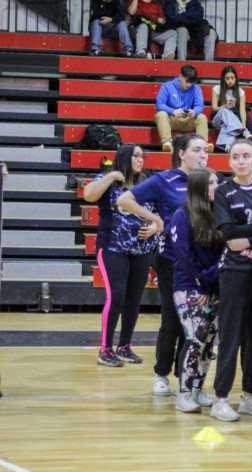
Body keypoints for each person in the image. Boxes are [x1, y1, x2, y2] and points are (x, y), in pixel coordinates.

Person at [117, 133, 209, 396]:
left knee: (198, 324)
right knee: (173, 320)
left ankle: (188, 378)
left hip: (200, 264)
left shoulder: (209, 181)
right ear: (181, 153)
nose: (203, 155)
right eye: (197, 150)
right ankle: (161, 374)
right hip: (170, 261)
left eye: (205, 150)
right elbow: (124, 200)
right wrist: (156, 219)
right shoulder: (164, 180)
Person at [210, 140, 252, 421]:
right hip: (235, 271)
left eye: (245, 156)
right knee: (231, 335)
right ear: (229, 161)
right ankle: (220, 399)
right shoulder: (224, 192)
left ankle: (250, 395)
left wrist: (249, 238)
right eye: (235, 156)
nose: (240, 161)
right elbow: (227, 231)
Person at [84, 143, 156, 367]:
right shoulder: (108, 179)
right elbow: (88, 195)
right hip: (112, 247)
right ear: (124, 157)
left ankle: (125, 346)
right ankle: (105, 349)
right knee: (116, 295)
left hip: (142, 249)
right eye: (136, 156)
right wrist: (111, 175)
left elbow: (160, 212)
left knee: (134, 299)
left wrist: (155, 226)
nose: (140, 160)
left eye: (142, 156)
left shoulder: (147, 182)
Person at [170, 167, 222, 413]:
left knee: (209, 342)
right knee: (195, 338)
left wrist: (210, 282)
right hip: (189, 287)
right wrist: (202, 281)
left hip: (212, 286)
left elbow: (224, 253)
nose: (216, 188)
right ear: (199, 187)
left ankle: (198, 389)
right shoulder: (182, 215)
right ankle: (184, 392)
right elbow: (184, 256)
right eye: (211, 184)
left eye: (217, 182)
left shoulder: (218, 214)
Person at [155, 64, 212, 153]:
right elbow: (159, 104)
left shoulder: (196, 88)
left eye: (191, 82)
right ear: (180, 76)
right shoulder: (167, 86)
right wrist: (173, 111)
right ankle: (167, 143)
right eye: (187, 81)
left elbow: (200, 106)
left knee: (202, 117)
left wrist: (194, 112)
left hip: (188, 119)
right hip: (172, 119)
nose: (189, 85)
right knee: (161, 114)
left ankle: (202, 146)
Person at [211, 65, 252, 150]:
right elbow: (214, 108)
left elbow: (242, 110)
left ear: (236, 78)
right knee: (225, 111)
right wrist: (225, 106)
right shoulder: (216, 89)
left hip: (229, 122)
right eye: (227, 78)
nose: (230, 81)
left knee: (227, 124)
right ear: (223, 79)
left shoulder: (241, 92)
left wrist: (244, 125)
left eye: (232, 78)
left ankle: (227, 145)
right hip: (218, 119)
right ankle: (242, 131)